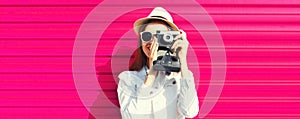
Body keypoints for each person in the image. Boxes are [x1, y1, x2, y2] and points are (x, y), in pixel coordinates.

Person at [117, 7, 199, 119]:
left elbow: (190, 111)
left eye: (160, 36)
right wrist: (152, 72)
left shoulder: (181, 77)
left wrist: (182, 62)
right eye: (147, 36)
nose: (153, 42)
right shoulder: (128, 79)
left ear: (171, 40)